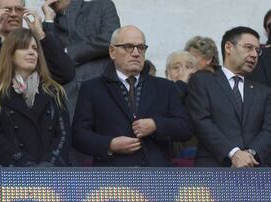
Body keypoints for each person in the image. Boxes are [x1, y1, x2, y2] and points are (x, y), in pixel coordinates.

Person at [72, 25, 193, 167]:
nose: (136, 53)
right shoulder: (92, 88)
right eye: (128, 46)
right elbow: (79, 136)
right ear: (112, 51)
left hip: (156, 177)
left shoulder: (165, 87)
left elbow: (185, 128)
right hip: (112, 178)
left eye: (141, 48)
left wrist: (156, 125)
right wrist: (110, 144)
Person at [187, 26, 271, 167]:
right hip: (214, 167)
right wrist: (234, 153)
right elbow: (202, 122)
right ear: (229, 47)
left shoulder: (262, 91)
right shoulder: (203, 81)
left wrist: (249, 155)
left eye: (257, 50)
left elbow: (270, 131)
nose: (254, 55)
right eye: (248, 47)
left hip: (253, 167)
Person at [0, 28, 71, 166]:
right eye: (24, 48)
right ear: (10, 54)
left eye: (34, 48)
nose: (31, 52)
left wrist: (50, 163)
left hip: (51, 173)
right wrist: (22, 162)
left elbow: (63, 134)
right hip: (13, 174)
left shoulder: (54, 91)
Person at [42, 0, 120, 118]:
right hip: (67, 98)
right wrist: (48, 20)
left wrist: (68, 52)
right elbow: (51, 56)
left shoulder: (101, 6)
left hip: (101, 89)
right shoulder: (51, 23)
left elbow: (111, 39)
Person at [0, 0, 75, 89]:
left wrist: (41, 35)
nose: (14, 14)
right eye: (7, 10)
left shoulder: (34, 40)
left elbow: (65, 74)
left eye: (18, 9)